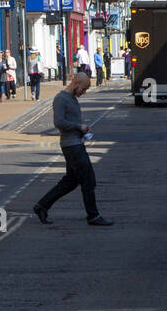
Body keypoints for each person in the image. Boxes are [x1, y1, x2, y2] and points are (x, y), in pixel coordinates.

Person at [32, 71, 112, 226]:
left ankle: (41, 206)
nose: (84, 92)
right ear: (76, 84)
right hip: (71, 145)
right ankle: (93, 216)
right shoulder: (61, 99)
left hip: (76, 142)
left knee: (70, 181)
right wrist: (78, 126)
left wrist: (82, 130)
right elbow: (58, 122)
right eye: (83, 89)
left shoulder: (72, 98)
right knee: (88, 179)